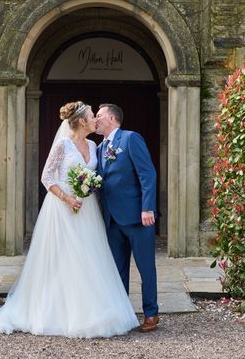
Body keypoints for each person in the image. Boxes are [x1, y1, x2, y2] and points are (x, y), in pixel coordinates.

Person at [0, 101, 139, 338]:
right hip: (62, 209)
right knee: (64, 258)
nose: (95, 120)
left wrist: (90, 188)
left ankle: (91, 310)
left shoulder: (93, 145)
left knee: (89, 257)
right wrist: (69, 198)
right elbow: (47, 178)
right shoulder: (62, 145)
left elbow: (96, 175)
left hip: (87, 209)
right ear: (81, 121)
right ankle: (60, 313)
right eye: (92, 116)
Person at [94, 103, 160, 333]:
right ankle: (122, 316)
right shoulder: (100, 148)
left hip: (138, 218)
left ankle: (151, 313)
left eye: (99, 115)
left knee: (145, 268)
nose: (95, 119)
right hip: (112, 219)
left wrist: (148, 208)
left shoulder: (130, 139)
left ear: (112, 118)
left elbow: (147, 173)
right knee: (118, 271)